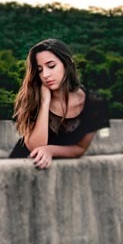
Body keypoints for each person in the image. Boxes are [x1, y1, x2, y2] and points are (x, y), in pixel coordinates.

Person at [9, 38, 110, 169]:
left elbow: (80, 148)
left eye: (51, 66)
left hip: (58, 174)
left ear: (67, 64)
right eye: (39, 70)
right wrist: (45, 103)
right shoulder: (34, 96)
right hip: (23, 166)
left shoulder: (95, 104)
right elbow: (36, 147)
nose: (45, 75)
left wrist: (50, 150)